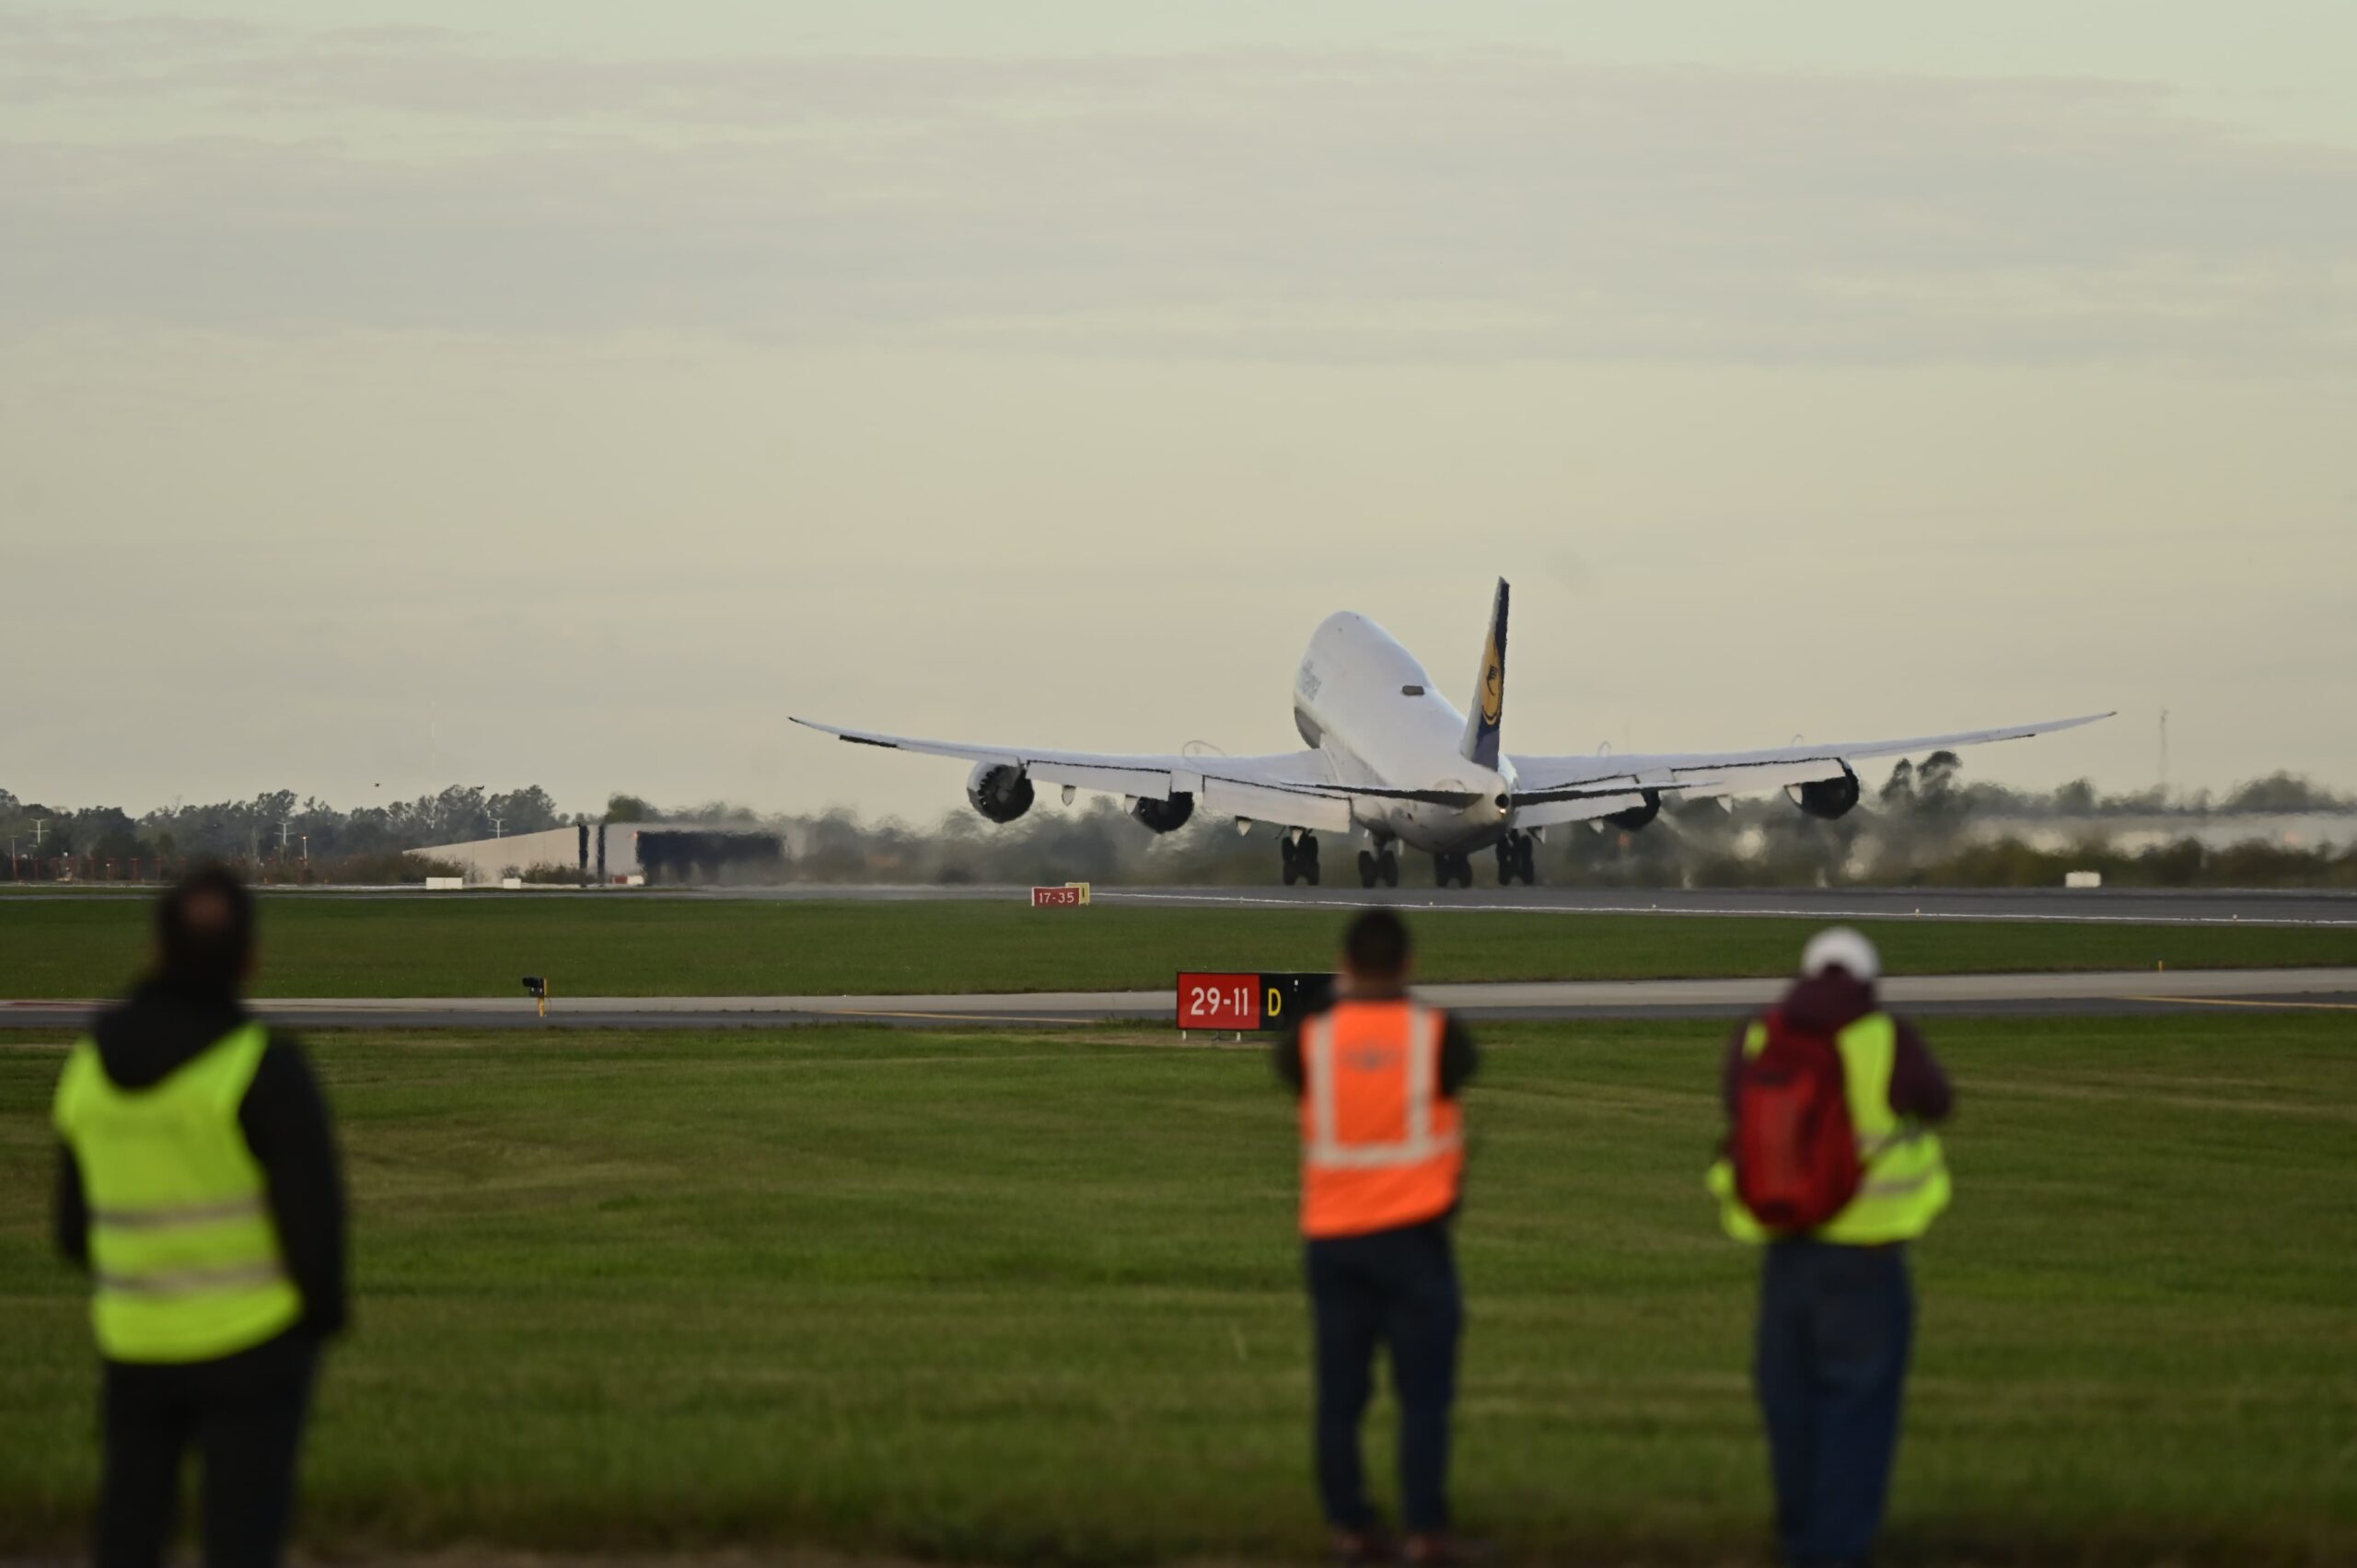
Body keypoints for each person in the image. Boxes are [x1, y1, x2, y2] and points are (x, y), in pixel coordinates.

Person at [52, 865, 348, 1568]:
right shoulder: (263, 1066)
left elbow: (71, 1232)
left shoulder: (89, 1065)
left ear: (155, 948)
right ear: (251, 957)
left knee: (130, 1519)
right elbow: (316, 1223)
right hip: (254, 1342)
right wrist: (320, 1321)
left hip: (136, 1343)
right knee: (242, 1534)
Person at [1709, 926, 1953, 1568]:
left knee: (1790, 1406)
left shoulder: (1759, 1034)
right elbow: (1938, 1100)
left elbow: (1734, 1102)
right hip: (1868, 1256)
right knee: (1858, 1411)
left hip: (1786, 1251)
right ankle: (1837, 1550)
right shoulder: (1886, 1037)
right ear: (1868, 981)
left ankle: (1797, 1538)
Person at [1276, 909, 1478, 1564]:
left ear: (1343, 961)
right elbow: (1460, 1071)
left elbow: (1291, 1071)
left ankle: (1350, 1526)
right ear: (1409, 962)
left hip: (1333, 1236)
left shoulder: (1311, 1035)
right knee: (1424, 1396)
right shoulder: (1436, 1033)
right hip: (1416, 1235)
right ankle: (1425, 1529)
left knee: (1340, 1394)